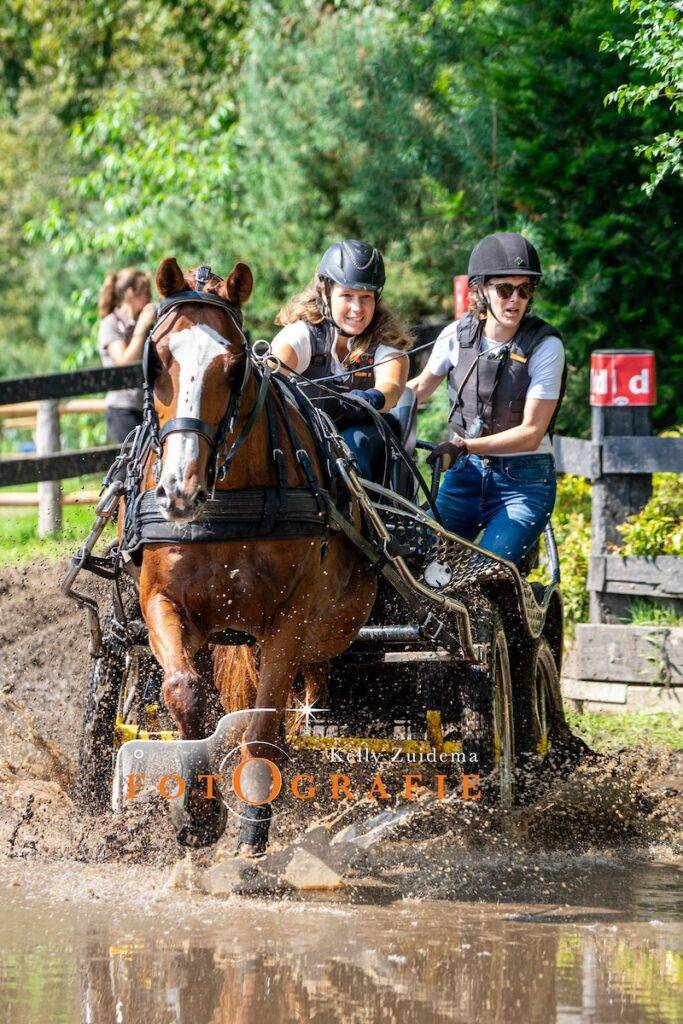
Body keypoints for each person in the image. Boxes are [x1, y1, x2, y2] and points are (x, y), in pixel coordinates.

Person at [408, 232, 565, 567]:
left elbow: (532, 433)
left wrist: (464, 446)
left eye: (525, 290)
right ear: (480, 289)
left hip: (523, 484)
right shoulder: (455, 335)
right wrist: (366, 400)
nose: (515, 300)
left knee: (482, 574)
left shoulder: (546, 346)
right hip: (463, 478)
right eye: (505, 289)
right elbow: (418, 389)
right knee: (418, 564)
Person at [271, 240, 413, 483]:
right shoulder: (300, 336)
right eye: (347, 295)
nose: (357, 308)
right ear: (324, 293)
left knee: (351, 443)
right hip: (307, 436)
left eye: (366, 297)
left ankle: (360, 507)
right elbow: (267, 376)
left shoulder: (386, 340)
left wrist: (372, 397)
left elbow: (392, 386)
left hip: (369, 437)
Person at [98, 267, 157, 443]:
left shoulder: (146, 324)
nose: (149, 298)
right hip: (123, 410)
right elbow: (124, 361)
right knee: (133, 460)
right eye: (145, 292)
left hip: (148, 408)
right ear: (130, 292)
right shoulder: (110, 324)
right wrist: (141, 327)